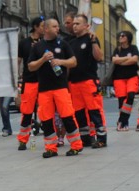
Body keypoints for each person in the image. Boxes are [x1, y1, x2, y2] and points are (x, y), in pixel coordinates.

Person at [28, 18, 83, 157]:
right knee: (46, 119)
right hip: (44, 89)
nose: (58, 28)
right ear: (46, 29)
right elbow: (30, 66)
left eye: (58, 26)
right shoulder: (38, 46)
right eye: (54, 26)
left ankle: (76, 145)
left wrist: (60, 61)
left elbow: (74, 62)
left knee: (67, 116)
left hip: (60, 87)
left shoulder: (63, 44)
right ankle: (51, 148)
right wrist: (43, 59)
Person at [69, 13, 107, 148]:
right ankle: (86, 138)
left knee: (94, 110)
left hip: (88, 81)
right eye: (73, 23)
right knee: (79, 113)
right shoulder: (71, 42)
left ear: (87, 26)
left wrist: (93, 42)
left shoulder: (91, 38)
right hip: (74, 83)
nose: (74, 26)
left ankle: (102, 138)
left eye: (77, 23)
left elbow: (99, 57)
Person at [17, 17, 45, 150]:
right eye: (42, 26)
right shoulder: (24, 43)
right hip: (29, 81)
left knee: (46, 110)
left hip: (44, 81)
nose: (44, 29)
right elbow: (18, 61)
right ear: (35, 27)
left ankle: (51, 137)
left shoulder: (46, 42)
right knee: (27, 111)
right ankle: (23, 140)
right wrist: (15, 79)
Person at [111, 31, 139, 132]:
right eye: (119, 35)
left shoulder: (133, 48)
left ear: (128, 37)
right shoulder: (117, 49)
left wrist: (121, 61)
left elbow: (134, 60)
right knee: (121, 100)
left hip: (131, 76)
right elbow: (114, 60)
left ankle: (122, 120)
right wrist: (127, 58)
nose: (120, 37)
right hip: (119, 78)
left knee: (131, 96)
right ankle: (124, 123)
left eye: (123, 36)